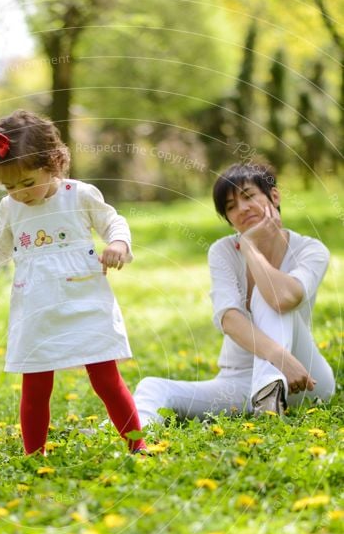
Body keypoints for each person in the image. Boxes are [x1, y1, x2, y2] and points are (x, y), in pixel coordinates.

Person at [0, 109, 146, 455]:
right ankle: (32, 454)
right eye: (9, 186)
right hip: (36, 304)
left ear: (52, 163)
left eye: (26, 183)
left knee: (105, 379)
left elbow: (114, 222)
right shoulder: (11, 208)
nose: (19, 193)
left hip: (84, 298)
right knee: (36, 384)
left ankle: (137, 446)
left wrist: (117, 244)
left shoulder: (79, 195)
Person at [134, 161, 335, 423]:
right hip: (239, 380)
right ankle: (125, 434)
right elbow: (228, 318)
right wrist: (276, 355)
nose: (241, 209)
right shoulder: (223, 251)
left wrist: (251, 249)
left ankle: (269, 388)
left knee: (268, 291)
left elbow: (284, 298)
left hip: (303, 376)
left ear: (274, 196)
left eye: (248, 196)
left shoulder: (310, 249)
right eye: (230, 207)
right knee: (153, 386)